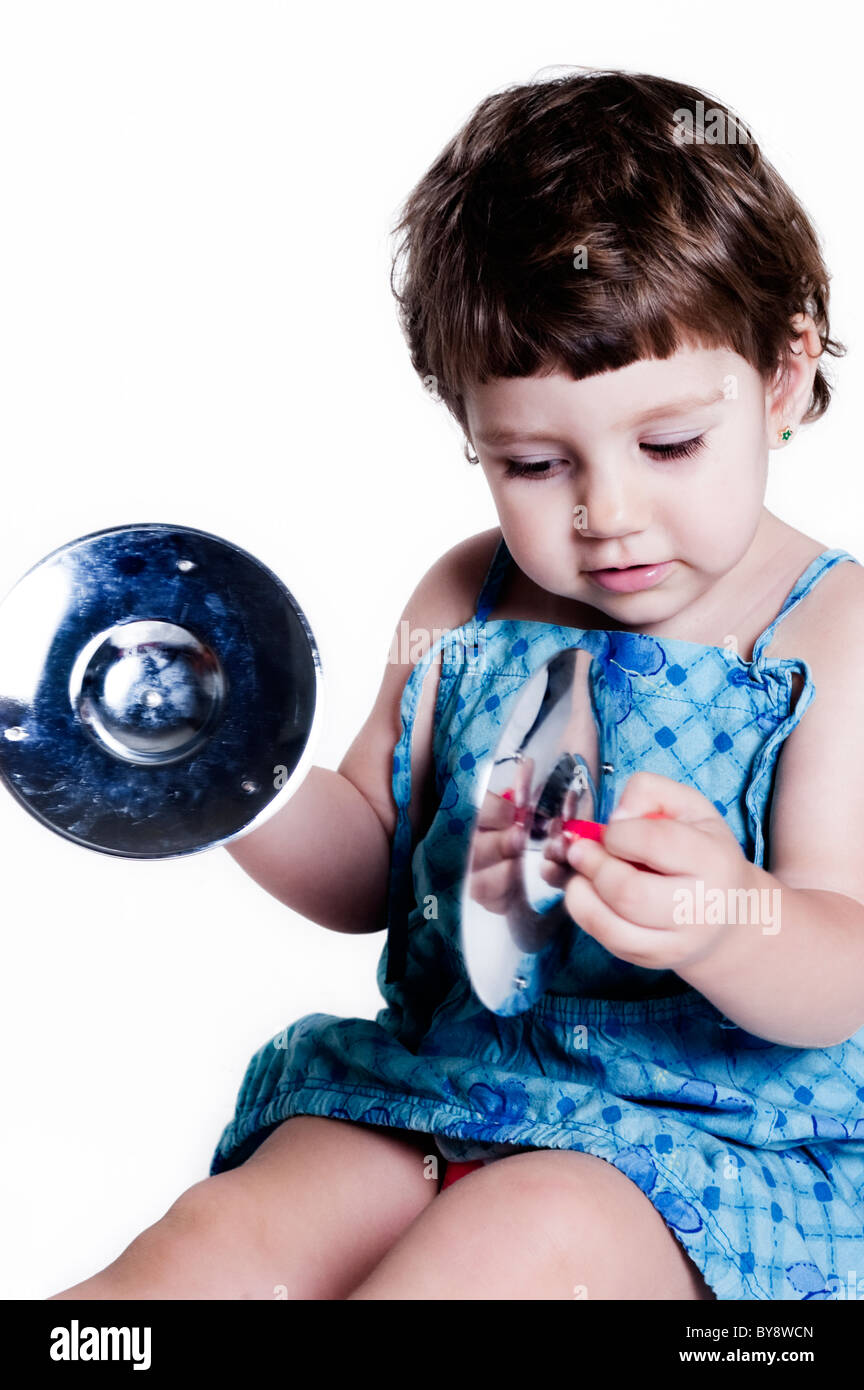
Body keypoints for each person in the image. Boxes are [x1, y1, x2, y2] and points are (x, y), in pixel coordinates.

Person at [49, 67, 864, 1302]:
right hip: (446, 1083)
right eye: (535, 462)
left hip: (709, 1146)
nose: (607, 512)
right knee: (223, 1240)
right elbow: (375, 867)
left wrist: (723, 916)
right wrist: (234, 774)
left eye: (670, 444)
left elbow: (843, 961)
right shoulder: (460, 600)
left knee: (508, 1244)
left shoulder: (833, 632)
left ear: (787, 372)